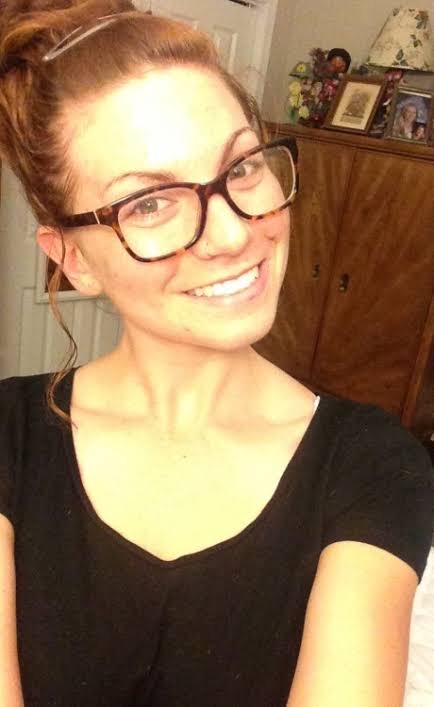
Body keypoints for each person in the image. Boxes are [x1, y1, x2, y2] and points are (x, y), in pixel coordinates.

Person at [0, 2, 433, 705]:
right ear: (71, 258)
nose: (233, 234)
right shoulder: (8, 436)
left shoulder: (372, 465)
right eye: (149, 203)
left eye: (242, 166)